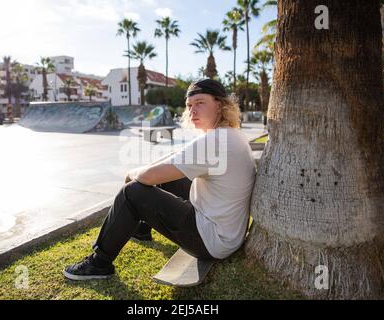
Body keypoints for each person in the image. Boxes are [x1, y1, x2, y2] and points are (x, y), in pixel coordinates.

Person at [63, 79, 257, 281]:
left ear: (220, 105)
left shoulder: (214, 141)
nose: (192, 111)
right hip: (227, 231)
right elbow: (176, 157)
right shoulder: (230, 134)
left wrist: (133, 173)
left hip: (212, 240)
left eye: (200, 103)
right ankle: (141, 230)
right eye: (189, 106)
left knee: (131, 193)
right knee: (167, 177)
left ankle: (99, 263)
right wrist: (147, 170)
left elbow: (148, 177)